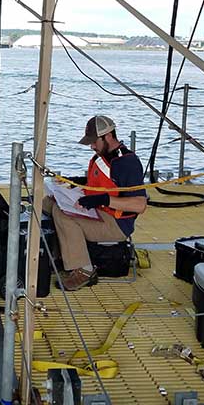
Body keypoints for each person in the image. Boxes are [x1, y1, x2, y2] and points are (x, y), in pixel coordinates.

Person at [50, 115, 148, 291]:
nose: (92, 146)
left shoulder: (128, 163)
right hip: (99, 212)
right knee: (48, 202)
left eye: (94, 141)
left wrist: (102, 199)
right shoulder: (101, 157)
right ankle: (53, 255)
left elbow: (140, 205)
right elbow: (100, 182)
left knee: (62, 213)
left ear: (108, 136)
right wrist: (72, 182)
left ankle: (84, 271)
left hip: (116, 224)